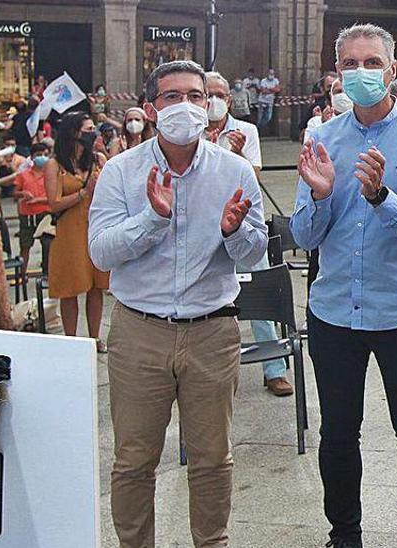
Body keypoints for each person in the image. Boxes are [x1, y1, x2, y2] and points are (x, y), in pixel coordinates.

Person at [88, 59, 268, 548]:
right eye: (173, 96)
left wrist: (233, 232)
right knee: (133, 461)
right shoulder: (122, 172)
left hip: (212, 331)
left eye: (196, 95)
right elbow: (100, 251)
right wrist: (151, 218)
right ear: (150, 108)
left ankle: (212, 542)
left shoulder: (233, 170)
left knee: (212, 458)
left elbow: (256, 252)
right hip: (139, 332)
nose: (186, 105)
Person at [292, 23, 397, 548]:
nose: (361, 73)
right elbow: (302, 235)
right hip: (335, 311)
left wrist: (381, 197)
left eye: (372, 63)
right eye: (351, 64)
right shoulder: (322, 139)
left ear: (393, 71)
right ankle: (345, 533)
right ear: (338, 74)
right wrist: (317, 196)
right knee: (337, 434)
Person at [204, 70, 294, 397]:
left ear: (229, 99)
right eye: (207, 93)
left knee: (258, 294)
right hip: (206, 229)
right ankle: (210, 371)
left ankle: (274, 370)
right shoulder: (193, 132)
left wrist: (237, 156)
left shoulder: (246, 130)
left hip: (242, 227)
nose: (213, 100)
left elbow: (253, 178)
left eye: (219, 94)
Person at [44, 111, 109, 350]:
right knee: (70, 288)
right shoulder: (54, 164)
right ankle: (71, 342)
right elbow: (54, 203)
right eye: (88, 129)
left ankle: (95, 338)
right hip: (69, 232)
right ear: (74, 132)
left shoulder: (97, 159)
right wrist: (83, 192)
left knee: (96, 286)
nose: (93, 133)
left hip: (95, 228)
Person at [11, 143, 51, 266]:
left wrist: (39, 200)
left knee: (47, 245)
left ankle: (47, 274)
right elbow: (14, 193)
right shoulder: (23, 175)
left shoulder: (50, 175)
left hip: (45, 214)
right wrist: (23, 193)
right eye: (39, 155)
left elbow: (54, 196)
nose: (42, 157)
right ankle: (22, 277)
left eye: (45, 154)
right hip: (27, 215)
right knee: (25, 246)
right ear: (32, 157)